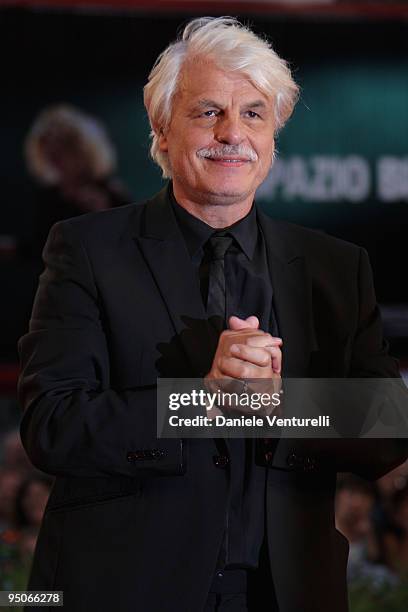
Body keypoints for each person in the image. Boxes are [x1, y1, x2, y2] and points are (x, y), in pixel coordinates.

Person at [17, 16, 408, 612]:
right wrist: (201, 400)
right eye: (208, 112)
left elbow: (387, 427)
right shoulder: (87, 249)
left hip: (287, 595)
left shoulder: (336, 266)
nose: (233, 133)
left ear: (274, 135)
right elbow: (54, 424)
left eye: (253, 113)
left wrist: (279, 403)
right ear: (162, 129)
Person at [22, 104, 131, 257]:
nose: (57, 165)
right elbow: (39, 247)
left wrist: (101, 211)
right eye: (51, 157)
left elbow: (126, 249)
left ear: (82, 151)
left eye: (61, 155)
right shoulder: (48, 196)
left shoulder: (110, 193)